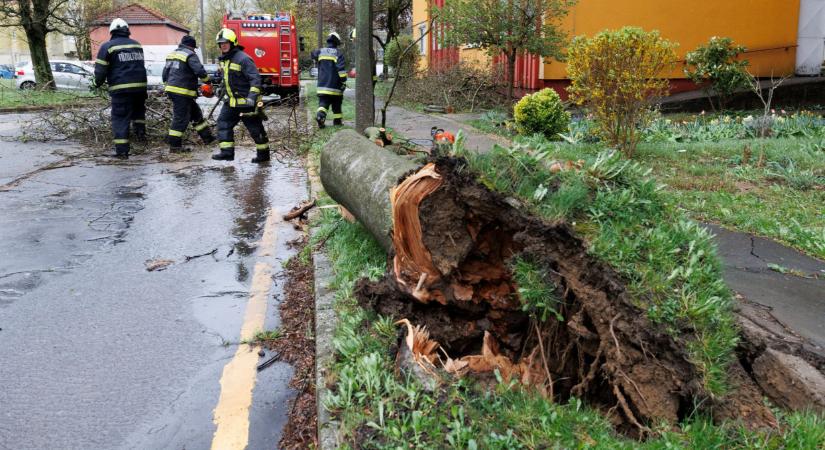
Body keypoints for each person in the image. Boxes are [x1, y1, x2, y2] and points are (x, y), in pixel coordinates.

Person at [211, 28, 270, 163]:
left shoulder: (243, 59)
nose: (223, 45)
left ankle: (263, 156)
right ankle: (227, 153)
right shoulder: (225, 60)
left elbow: (255, 80)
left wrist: (252, 98)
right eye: (220, 43)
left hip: (246, 103)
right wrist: (221, 89)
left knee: (255, 129)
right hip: (231, 103)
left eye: (226, 43)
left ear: (233, 43)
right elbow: (227, 79)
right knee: (223, 123)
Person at [93, 18, 147, 159]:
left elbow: (100, 72)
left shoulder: (108, 47)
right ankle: (142, 139)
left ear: (111, 31)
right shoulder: (137, 45)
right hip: (140, 88)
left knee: (120, 118)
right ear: (127, 30)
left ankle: (122, 151)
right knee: (139, 114)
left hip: (121, 90)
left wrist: (96, 84)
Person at [162, 35, 215, 153]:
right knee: (181, 119)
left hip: (174, 90)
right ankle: (175, 146)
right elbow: (199, 70)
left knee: (196, 115)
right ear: (192, 47)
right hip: (182, 92)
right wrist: (208, 81)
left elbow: (165, 74)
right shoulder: (190, 54)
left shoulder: (172, 54)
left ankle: (208, 138)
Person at [311, 32, 346, 128]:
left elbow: (313, 54)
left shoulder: (320, 51)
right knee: (337, 105)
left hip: (322, 86)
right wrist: (344, 81)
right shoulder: (338, 53)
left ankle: (320, 117)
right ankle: (337, 122)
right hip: (335, 86)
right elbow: (341, 70)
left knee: (323, 104)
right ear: (337, 42)